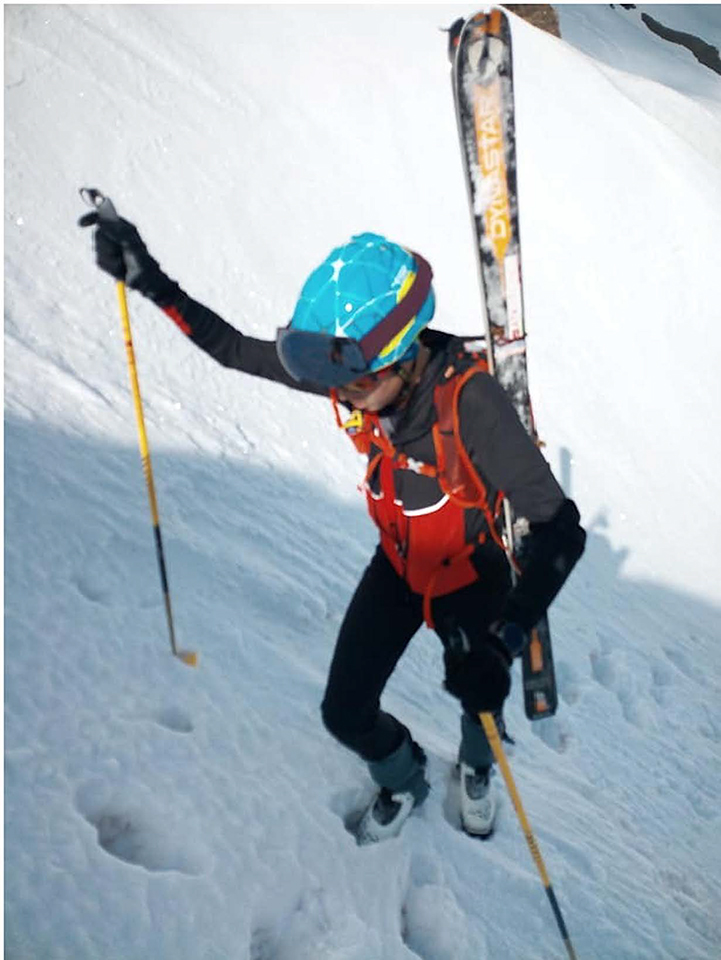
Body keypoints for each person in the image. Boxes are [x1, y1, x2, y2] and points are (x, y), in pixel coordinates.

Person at [79, 201, 586, 844]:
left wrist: (503, 642)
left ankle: (479, 770)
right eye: (333, 381)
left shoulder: (471, 400)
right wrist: (149, 279)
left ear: (401, 360)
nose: (337, 395)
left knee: (479, 701)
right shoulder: (352, 372)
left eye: (349, 385)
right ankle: (405, 776)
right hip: (400, 569)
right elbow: (235, 350)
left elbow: (561, 529)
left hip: (472, 579)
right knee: (343, 712)